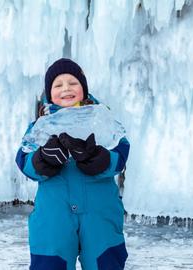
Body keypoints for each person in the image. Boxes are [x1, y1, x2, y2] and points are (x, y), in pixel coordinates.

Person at [15, 58, 130, 270]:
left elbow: (121, 152)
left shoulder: (102, 119)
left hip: (100, 215)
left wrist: (99, 158)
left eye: (73, 83)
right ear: (49, 93)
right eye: (58, 85)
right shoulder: (40, 126)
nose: (66, 88)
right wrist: (43, 160)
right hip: (53, 217)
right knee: (49, 264)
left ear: (84, 88)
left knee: (105, 263)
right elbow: (24, 159)